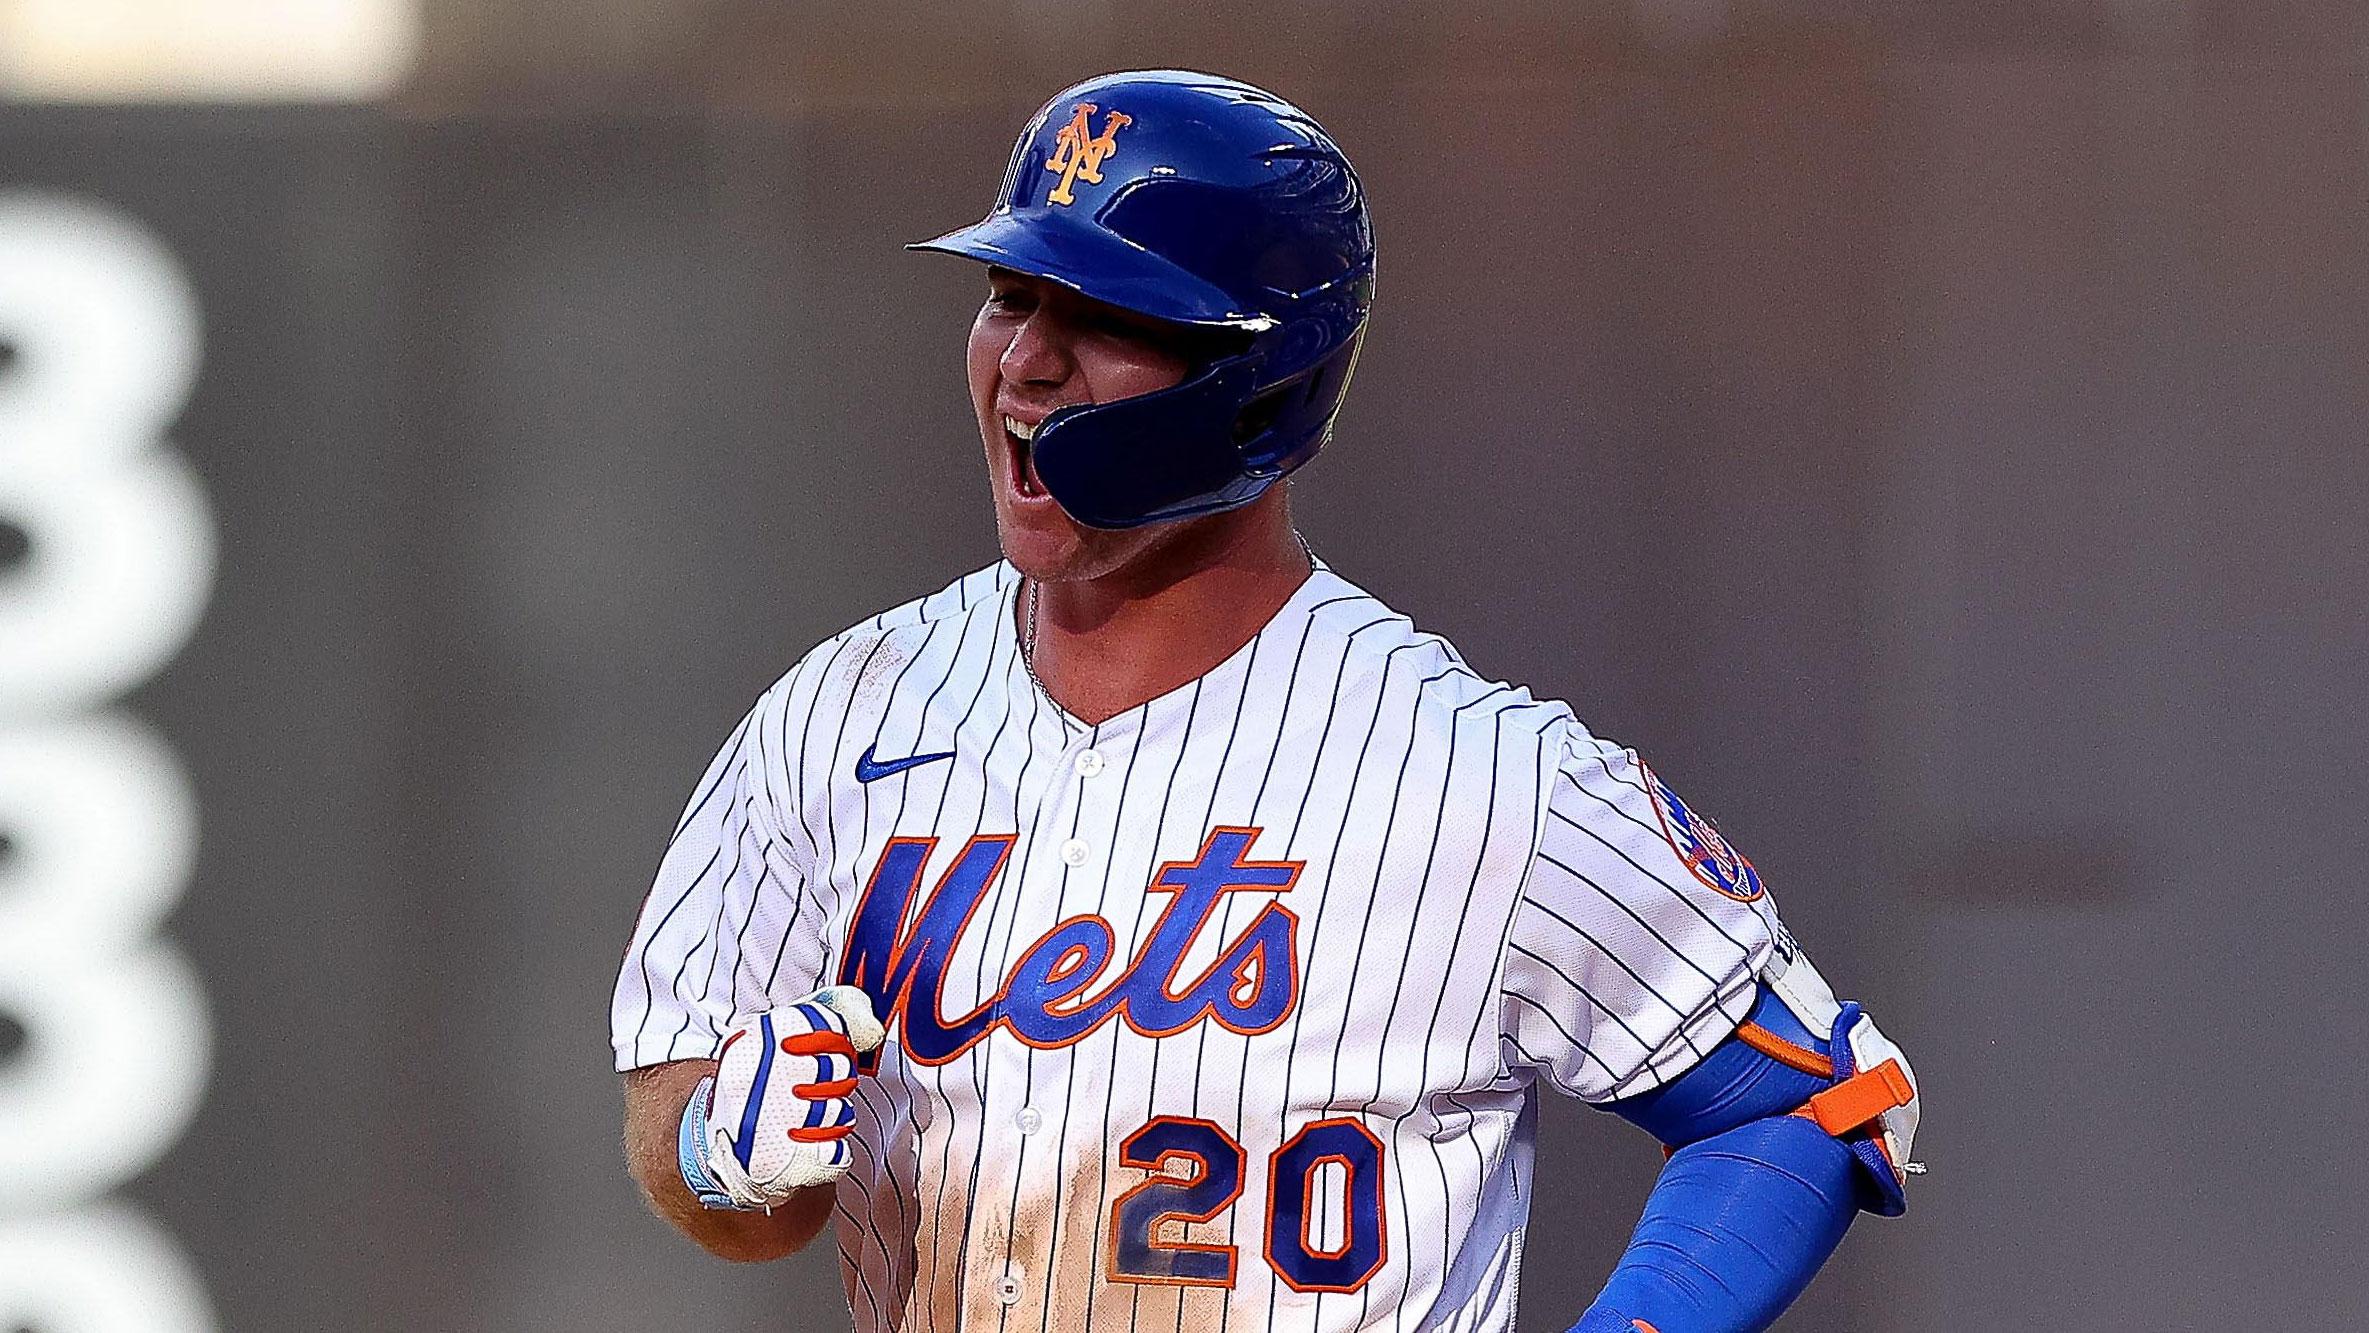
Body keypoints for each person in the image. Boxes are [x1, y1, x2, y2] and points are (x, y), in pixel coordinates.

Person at [610, 69, 1920, 1333]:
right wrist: (718, 1151)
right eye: (1010, 296)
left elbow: (1810, 1102)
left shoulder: (1478, 777)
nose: (1026, 361)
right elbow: (701, 1146)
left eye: (1104, 316)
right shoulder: (838, 715)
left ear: (1264, 380)